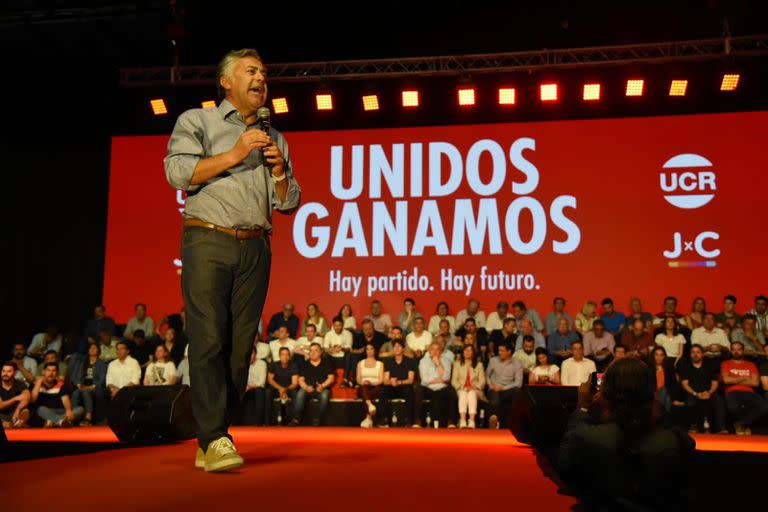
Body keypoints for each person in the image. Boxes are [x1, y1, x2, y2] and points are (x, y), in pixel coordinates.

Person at [165, 47, 302, 471]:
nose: (261, 77)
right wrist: (235, 153)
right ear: (226, 81)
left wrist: (279, 174)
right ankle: (216, 437)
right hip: (208, 239)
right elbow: (177, 172)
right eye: (250, 71)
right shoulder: (197, 121)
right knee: (208, 337)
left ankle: (212, 435)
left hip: (257, 245)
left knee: (241, 348)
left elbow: (290, 201)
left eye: (263, 71)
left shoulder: (274, 136)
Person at [557, 358, 695, 511]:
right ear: (651, 392)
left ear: (605, 394)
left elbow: (565, 466)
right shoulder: (678, 441)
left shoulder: (588, 437)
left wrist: (583, 407)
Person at [721, 341, 768, 435]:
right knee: (734, 408)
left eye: (738, 349)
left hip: (749, 392)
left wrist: (734, 379)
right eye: (733, 349)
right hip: (732, 392)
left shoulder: (750, 365)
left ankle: (741, 424)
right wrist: (745, 378)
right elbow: (726, 380)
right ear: (731, 351)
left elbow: (755, 383)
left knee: (765, 407)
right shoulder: (726, 364)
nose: (736, 352)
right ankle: (745, 426)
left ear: (743, 351)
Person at [678, 344, 726, 433]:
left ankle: (721, 428)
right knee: (690, 403)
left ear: (702, 354)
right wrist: (695, 394)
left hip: (709, 392)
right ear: (690, 354)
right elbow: (685, 384)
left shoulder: (709, 366)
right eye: (693, 352)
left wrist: (709, 393)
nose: (695, 354)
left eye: (698, 352)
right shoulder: (686, 366)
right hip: (693, 392)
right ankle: (693, 425)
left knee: (719, 401)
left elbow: (715, 383)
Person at [290, 343, 334, 426]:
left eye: (316, 350)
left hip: (322, 388)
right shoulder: (305, 364)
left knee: (325, 396)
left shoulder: (326, 362)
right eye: (311, 350)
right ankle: (296, 419)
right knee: (300, 394)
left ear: (320, 352)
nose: (313, 353)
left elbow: (331, 378)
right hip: (308, 388)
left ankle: (317, 420)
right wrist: (306, 387)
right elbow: (301, 379)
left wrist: (323, 386)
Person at [32, 362, 84, 427]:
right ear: (43, 372)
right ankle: (62, 421)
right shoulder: (35, 385)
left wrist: (68, 410)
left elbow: (65, 398)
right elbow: (33, 400)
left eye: (53, 371)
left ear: (57, 373)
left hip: (60, 410)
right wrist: (38, 383)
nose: (51, 373)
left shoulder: (60, 384)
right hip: (46, 411)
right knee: (40, 409)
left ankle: (55, 422)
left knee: (80, 409)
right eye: (48, 370)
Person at [486, 342, 524, 429]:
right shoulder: (493, 360)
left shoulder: (517, 363)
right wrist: (490, 384)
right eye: (499, 350)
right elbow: (487, 375)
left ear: (509, 351)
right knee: (495, 399)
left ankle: (515, 420)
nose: (499, 353)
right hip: (494, 388)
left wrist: (503, 388)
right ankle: (494, 421)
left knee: (517, 391)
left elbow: (518, 383)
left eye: (502, 351)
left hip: (506, 390)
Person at [381, 339, 418, 427]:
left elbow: (410, 379)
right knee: (383, 390)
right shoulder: (388, 361)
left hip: (404, 386)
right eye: (394, 347)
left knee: (409, 390)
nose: (396, 348)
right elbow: (385, 380)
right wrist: (391, 382)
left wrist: (399, 382)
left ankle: (409, 420)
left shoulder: (410, 361)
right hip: (392, 386)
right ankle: (384, 419)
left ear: (403, 349)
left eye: (399, 346)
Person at [68, 343, 107, 426]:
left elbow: (102, 379)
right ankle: (74, 416)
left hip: (95, 387)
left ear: (98, 351)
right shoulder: (83, 363)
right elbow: (78, 376)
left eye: (94, 348)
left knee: (86, 392)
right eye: (90, 348)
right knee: (75, 393)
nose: (92, 349)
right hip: (83, 385)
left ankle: (88, 416)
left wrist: (92, 386)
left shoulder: (101, 364)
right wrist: (79, 384)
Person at [419, 341, 455, 428]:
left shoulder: (446, 361)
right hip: (427, 388)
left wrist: (438, 364)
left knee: (451, 391)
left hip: (442, 388)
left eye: (437, 349)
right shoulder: (423, 361)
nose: (435, 351)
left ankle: (451, 422)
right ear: (429, 351)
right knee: (418, 390)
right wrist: (440, 380)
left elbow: (446, 377)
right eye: (432, 349)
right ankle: (417, 421)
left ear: (441, 351)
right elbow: (424, 380)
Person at [452, 344, 486, 429]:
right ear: (463, 352)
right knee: (463, 394)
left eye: (470, 350)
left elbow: (482, 381)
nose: (467, 352)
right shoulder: (457, 364)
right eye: (466, 350)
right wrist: (461, 387)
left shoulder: (479, 365)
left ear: (473, 353)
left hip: (475, 390)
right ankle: (463, 421)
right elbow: (454, 380)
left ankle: (471, 421)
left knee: (471, 394)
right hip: (461, 389)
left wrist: (474, 387)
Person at [266, 347, 299, 425]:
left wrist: (285, 390)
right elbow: (270, 380)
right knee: (267, 392)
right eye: (283, 354)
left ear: (290, 356)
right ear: (279, 356)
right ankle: (267, 421)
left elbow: (295, 383)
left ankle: (294, 420)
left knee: (295, 393)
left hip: (289, 389)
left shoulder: (293, 365)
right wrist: (280, 389)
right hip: (276, 388)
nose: (285, 357)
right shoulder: (274, 365)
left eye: (287, 355)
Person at [356, 342, 384, 428]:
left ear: (375, 350)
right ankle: (370, 405)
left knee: (370, 391)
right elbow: (358, 379)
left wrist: (371, 383)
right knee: (364, 387)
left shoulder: (380, 364)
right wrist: (364, 382)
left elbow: (381, 380)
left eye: (371, 348)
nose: (369, 351)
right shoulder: (360, 363)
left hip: (375, 387)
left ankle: (368, 418)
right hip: (363, 387)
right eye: (367, 349)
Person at [649, 346, 684, 415]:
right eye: (656, 354)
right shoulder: (649, 368)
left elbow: (673, 384)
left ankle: (667, 414)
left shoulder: (668, 368)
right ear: (653, 356)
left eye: (661, 355)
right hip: (654, 393)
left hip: (667, 393)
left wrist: (673, 398)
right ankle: (670, 414)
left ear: (664, 357)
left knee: (665, 392)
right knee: (663, 391)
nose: (658, 357)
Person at [1, 362, 31, 428]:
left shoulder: (19, 384)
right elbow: (1, 405)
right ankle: (12, 424)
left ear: (15, 373)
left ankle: (15, 424)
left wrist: (18, 409)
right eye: (3, 371)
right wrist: (15, 398)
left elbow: (27, 397)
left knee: (26, 411)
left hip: (14, 413)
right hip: (1, 413)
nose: (5, 374)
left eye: (9, 371)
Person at [242, 348, 267, 425]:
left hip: (256, 388)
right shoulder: (242, 363)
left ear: (255, 354)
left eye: (252, 354)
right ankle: (235, 422)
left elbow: (262, 383)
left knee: (259, 391)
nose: (250, 356)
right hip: (245, 388)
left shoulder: (262, 363)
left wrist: (249, 387)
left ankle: (259, 423)